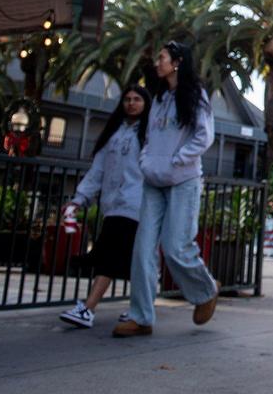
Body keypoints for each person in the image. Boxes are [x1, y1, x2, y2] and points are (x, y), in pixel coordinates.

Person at [114, 41, 218, 337]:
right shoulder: (158, 97)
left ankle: (206, 290)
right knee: (143, 249)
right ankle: (141, 317)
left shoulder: (195, 95)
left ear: (177, 62)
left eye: (162, 57)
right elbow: (150, 136)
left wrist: (177, 160)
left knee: (176, 246)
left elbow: (204, 136)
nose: (157, 61)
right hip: (153, 182)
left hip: (183, 181)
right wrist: (147, 160)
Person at [58, 85, 151, 329]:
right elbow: (97, 171)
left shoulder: (151, 133)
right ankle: (140, 310)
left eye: (137, 99)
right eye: (127, 99)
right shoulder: (113, 134)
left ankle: (88, 308)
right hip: (112, 205)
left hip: (136, 204)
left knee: (111, 255)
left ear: (146, 103)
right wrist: (79, 199)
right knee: (135, 261)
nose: (131, 103)